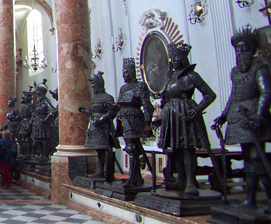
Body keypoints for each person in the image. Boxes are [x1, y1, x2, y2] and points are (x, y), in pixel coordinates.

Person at [213, 26, 271, 211]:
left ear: (252, 49)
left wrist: (260, 117)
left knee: (257, 158)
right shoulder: (236, 72)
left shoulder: (259, 67)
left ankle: (268, 198)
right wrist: (224, 115)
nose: (240, 52)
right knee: (249, 159)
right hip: (239, 119)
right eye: (238, 48)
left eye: (244, 48)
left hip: (253, 116)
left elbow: (266, 92)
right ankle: (250, 199)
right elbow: (234, 95)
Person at [157, 42, 216, 196]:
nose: (175, 60)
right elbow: (167, 99)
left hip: (185, 113)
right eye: (173, 57)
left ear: (183, 58)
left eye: (178, 57)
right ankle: (181, 179)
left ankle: (191, 181)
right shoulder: (170, 77)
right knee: (176, 148)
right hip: (171, 114)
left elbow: (210, 95)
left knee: (188, 148)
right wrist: (161, 117)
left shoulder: (192, 76)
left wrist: (198, 109)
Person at [116, 58, 153, 187]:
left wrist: (148, 122)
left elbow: (147, 105)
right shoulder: (123, 88)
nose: (123, 75)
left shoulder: (140, 86)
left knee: (133, 148)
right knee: (130, 148)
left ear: (132, 72)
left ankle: (134, 177)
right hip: (124, 119)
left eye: (126, 72)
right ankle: (135, 177)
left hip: (135, 119)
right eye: (123, 72)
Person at [79, 72, 119, 182]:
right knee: (99, 151)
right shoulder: (95, 98)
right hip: (95, 128)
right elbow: (93, 113)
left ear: (99, 85)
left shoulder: (107, 97)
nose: (93, 88)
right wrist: (85, 111)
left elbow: (112, 111)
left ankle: (108, 172)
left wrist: (101, 120)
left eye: (94, 86)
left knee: (106, 150)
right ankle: (100, 171)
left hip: (104, 128)